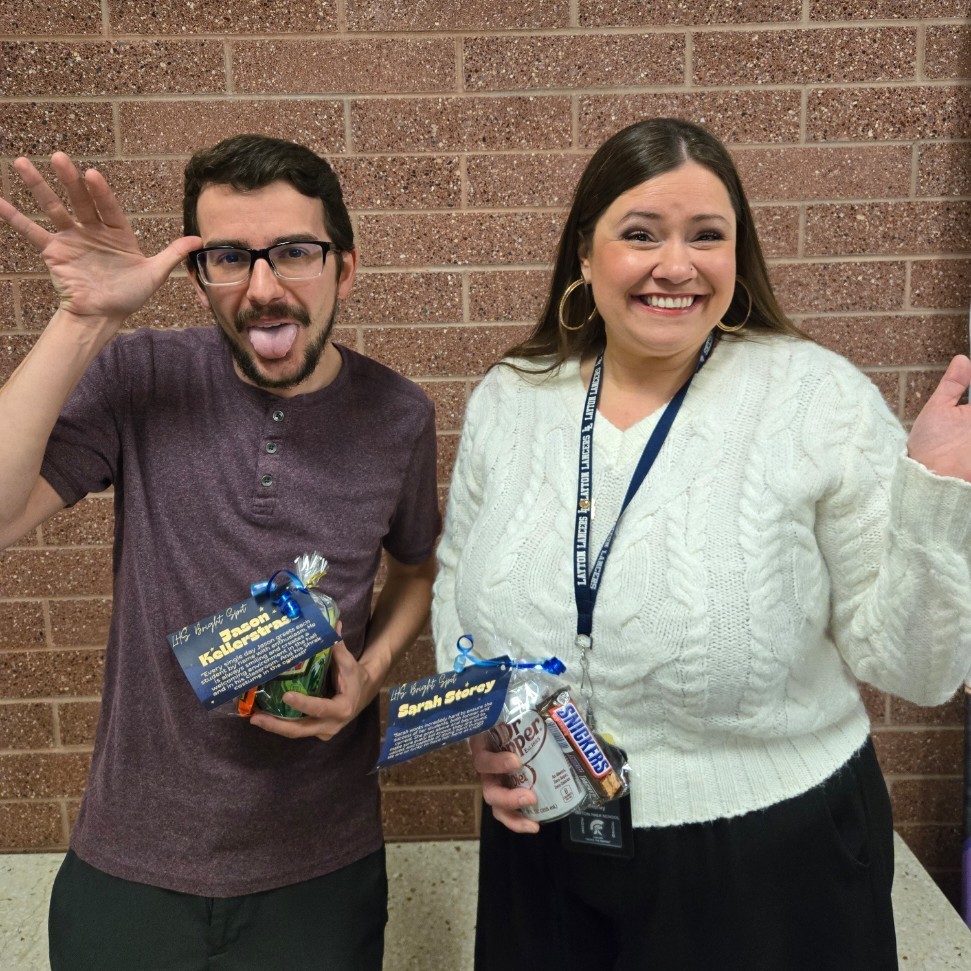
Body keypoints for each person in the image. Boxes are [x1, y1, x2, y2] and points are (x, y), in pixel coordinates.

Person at [432, 118, 971, 970]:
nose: (675, 265)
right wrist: (482, 721)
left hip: (768, 864)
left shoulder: (816, 398)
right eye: (639, 234)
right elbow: (458, 570)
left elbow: (917, 669)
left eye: (706, 237)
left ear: (736, 255)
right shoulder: (512, 395)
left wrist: (940, 497)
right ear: (584, 254)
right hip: (544, 831)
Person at [0, 134, 440, 970]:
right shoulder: (143, 377)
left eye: (295, 253)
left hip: (321, 865)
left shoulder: (398, 415)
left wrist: (368, 677)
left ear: (343, 267)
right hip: (131, 862)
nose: (265, 289)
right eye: (231, 257)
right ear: (199, 275)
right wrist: (83, 318)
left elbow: (416, 570)